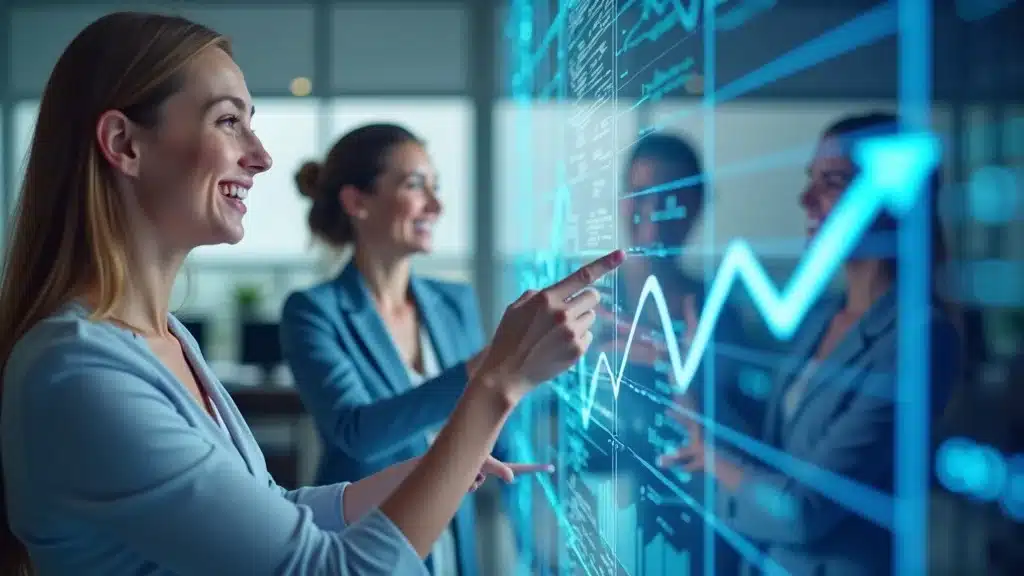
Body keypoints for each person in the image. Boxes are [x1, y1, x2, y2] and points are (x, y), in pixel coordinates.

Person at [0, 12, 624, 576]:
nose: (261, 157)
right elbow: (322, 568)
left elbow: (270, 508)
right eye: (228, 121)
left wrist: (430, 472)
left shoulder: (167, 338)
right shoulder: (81, 371)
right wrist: (495, 381)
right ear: (125, 144)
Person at [658, 112, 962, 576]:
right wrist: (691, 378)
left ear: (889, 196)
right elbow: (769, 452)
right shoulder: (821, 318)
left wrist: (712, 458)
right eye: (811, 179)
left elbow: (803, 512)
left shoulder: (920, 339)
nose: (805, 199)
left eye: (831, 182)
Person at [280, 124, 517, 575]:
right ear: (357, 202)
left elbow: (497, 429)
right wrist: (481, 369)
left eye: (435, 187)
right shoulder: (313, 311)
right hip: (363, 547)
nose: (436, 205)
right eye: (414, 185)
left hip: (451, 544)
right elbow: (355, 433)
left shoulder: (455, 303)